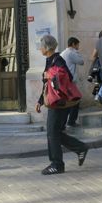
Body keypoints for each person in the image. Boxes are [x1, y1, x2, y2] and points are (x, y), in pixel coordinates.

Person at [36, 34, 88, 175]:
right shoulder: (50, 60)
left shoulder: (57, 59)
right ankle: (80, 148)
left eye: (41, 46)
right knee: (55, 132)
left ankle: (57, 164)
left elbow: (66, 77)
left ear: (47, 47)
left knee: (52, 133)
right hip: (54, 101)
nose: (40, 48)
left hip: (59, 102)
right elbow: (47, 84)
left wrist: (51, 75)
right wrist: (40, 101)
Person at [60, 37, 84, 127]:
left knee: (69, 101)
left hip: (65, 81)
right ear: (73, 44)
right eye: (77, 45)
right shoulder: (71, 53)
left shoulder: (63, 53)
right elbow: (81, 61)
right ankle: (71, 121)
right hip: (70, 82)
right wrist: (76, 52)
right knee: (75, 100)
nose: (78, 47)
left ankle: (66, 122)